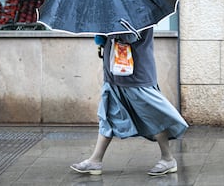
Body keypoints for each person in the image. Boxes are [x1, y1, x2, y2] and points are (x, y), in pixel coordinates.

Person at [70, 28, 189, 176]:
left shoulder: (139, 13)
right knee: (107, 115)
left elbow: (130, 37)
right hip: (114, 75)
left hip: (137, 76)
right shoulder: (115, 12)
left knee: (153, 115)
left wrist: (110, 29)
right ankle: (95, 160)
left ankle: (168, 159)